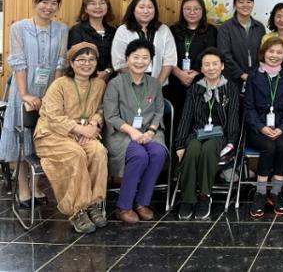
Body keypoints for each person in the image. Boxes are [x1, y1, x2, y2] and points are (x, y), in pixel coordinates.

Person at [0, 0, 68, 206]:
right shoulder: (19, 28)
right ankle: (23, 188)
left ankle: (36, 185)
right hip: (24, 90)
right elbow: (18, 62)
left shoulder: (62, 29)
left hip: (50, 93)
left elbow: (60, 64)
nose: (48, 7)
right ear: (35, 3)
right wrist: (25, 94)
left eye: (54, 3)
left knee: (42, 139)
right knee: (22, 138)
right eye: (44, 2)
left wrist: (53, 96)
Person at [34, 42, 108, 234]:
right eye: (81, 59)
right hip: (52, 135)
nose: (87, 63)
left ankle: (92, 204)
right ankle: (77, 211)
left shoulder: (99, 84)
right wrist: (78, 130)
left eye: (91, 59)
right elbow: (52, 116)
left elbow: (101, 109)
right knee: (76, 153)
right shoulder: (59, 84)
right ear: (72, 63)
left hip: (85, 133)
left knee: (98, 151)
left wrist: (94, 124)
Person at [103, 39, 169, 223]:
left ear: (151, 61)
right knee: (139, 156)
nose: (140, 61)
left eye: (145, 58)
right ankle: (124, 206)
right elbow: (111, 115)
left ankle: (142, 203)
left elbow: (159, 111)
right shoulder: (115, 84)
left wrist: (151, 131)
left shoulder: (154, 84)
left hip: (149, 132)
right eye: (136, 57)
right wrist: (132, 131)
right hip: (122, 134)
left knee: (158, 153)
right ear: (127, 58)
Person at [175, 48, 239, 221]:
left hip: (220, 136)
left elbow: (233, 117)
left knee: (209, 148)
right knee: (192, 149)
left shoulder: (230, 88)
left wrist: (232, 142)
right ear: (201, 68)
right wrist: (180, 144)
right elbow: (186, 117)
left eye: (215, 64)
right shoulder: (195, 89)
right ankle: (188, 198)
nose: (211, 68)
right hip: (197, 133)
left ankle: (204, 196)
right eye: (207, 65)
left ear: (222, 66)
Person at [245, 37, 283, 218]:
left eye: (279, 52)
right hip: (258, 128)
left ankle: (275, 193)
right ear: (264, 53)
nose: (274, 55)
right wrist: (261, 127)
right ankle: (260, 193)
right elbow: (249, 108)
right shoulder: (254, 76)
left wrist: (282, 128)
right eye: (271, 51)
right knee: (268, 146)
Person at [168, 0, 218, 120]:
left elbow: (212, 54)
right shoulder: (173, 30)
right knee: (177, 116)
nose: (192, 12)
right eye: (187, 9)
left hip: (202, 80)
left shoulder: (211, 30)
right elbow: (166, 55)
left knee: (199, 117)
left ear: (202, 11)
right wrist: (180, 74)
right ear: (182, 11)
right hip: (176, 80)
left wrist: (194, 73)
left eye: (196, 9)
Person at [111, 0, 177, 85]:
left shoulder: (164, 30)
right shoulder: (123, 30)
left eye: (150, 7)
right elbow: (119, 61)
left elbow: (169, 59)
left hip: (159, 83)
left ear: (155, 10)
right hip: (130, 84)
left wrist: (157, 85)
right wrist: (137, 84)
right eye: (141, 7)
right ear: (133, 10)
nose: (146, 11)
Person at [217, 0, 265, 94]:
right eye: (241, 2)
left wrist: (255, 74)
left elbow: (262, 53)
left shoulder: (259, 27)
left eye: (249, 2)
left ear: (253, 4)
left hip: (255, 79)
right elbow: (224, 54)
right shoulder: (225, 27)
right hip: (232, 79)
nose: (245, 5)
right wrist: (241, 74)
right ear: (235, 5)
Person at [68, 0, 117, 80]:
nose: (98, 6)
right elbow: (75, 56)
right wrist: (94, 74)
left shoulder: (114, 31)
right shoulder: (77, 30)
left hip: (110, 79)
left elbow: (117, 56)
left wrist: (107, 72)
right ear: (85, 9)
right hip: (84, 79)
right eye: (93, 3)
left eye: (102, 3)